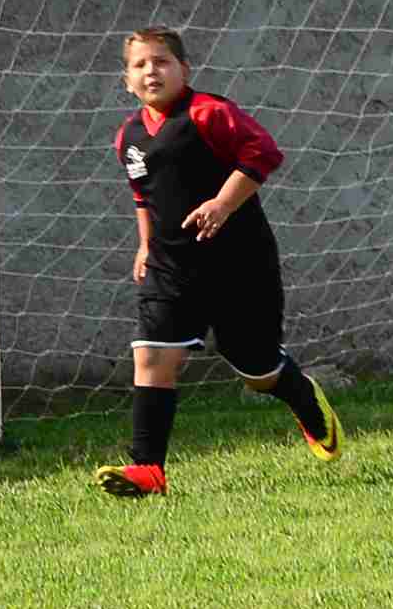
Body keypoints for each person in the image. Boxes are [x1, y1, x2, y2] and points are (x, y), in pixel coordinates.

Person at [96, 27, 342, 497]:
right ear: (127, 79)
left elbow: (264, 152)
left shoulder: (209, 113)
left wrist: (223, 204)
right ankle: (148, 469)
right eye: (141, 64)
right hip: (170, 267)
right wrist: (145, 245)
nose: (153, 71)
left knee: (256, 368)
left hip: (239, 264)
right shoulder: (127, 136)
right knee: (150, 355)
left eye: (163, 61)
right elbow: (143, 196)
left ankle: (303, 396)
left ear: (184, 70)